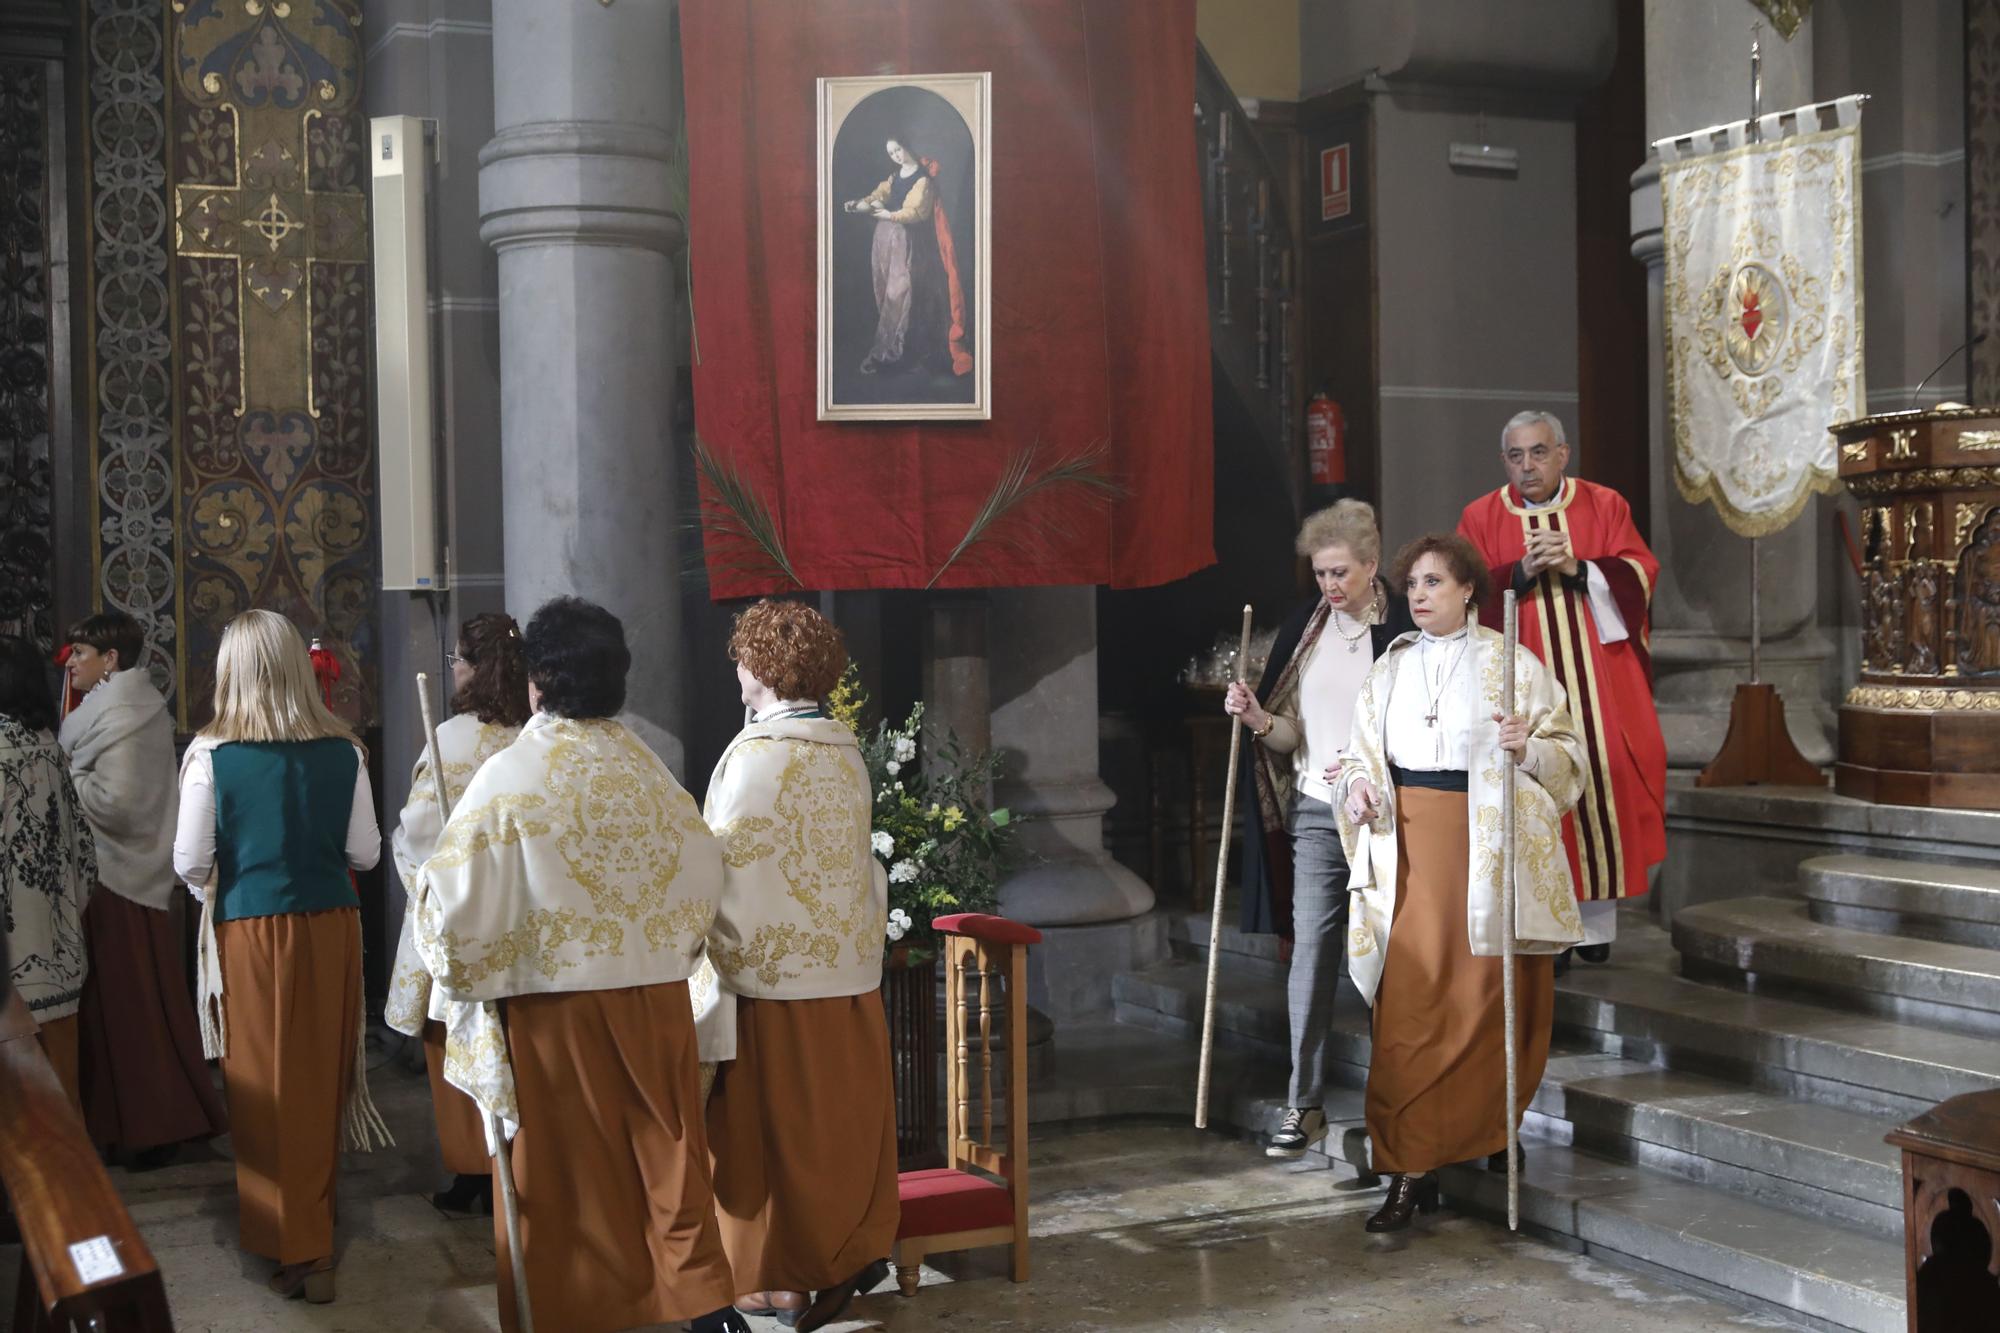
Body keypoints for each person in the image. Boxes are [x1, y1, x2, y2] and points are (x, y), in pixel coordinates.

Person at [412, 597, 746, 1333]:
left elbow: (449, 926)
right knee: (664, 1170)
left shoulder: (512, 778)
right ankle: (697, 1307)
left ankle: (573, 1314)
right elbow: (701, 877)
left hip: (553, 1017)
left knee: (565, 1187)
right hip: (652, 1004)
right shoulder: (651, 774)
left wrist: (434, 889)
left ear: (537, 680)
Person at [1337, 535, 1586, 1233]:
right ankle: (1410, 1167)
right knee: (1409, 1013)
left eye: (1434, 582)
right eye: (1412, 583)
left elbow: (1568, 761)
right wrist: (1357, 791)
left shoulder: (1511, 665)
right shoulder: (1389, 669)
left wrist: (1526, 745)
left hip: (1485, 853)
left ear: (1469, 589)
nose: (1418, 595)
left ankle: (1486, 1133)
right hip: (1409, 852)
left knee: (1485, 1002)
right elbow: (1360, 757)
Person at [172, 610, 387, 1302]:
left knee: (262, 1086)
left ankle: (289, 1242)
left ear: (230, 671)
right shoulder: (344, 749)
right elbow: (366, 853)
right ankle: (313, 1242)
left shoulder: (210, 754)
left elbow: (189, 861)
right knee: (320, 1081)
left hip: (250, 927)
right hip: (329, 926)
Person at [704, 600, 896, 1330]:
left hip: (769, 979)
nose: (739, 672)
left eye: (743, 659)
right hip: (843, 976)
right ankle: (820, 1266)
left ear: (761, 667)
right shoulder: (843, 750)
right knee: (827, 1133)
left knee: (765, 1134)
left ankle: (771, 1278)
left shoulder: (754, 757)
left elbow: (723, 861)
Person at [1225, 500, 1413, 1158]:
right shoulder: (1307, 625)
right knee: (1311, 954)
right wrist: (1255, 718)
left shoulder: (1403, 628)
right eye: (1321, 573)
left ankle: (1397, 1107)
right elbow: (1293, 734)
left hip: (1388, 817)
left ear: (1370, 564)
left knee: (1388, 960)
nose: (1330, 586)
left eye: (1340, 572)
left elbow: (1424, 723)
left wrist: (1371, 762)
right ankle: (1303, 1104)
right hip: (1313, 810)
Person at [1457, 411, 1666, 965]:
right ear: (1505, 461)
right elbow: (1465, 592)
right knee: (1538, 792)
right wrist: (1519, 574)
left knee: (1599, 783)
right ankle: (1546, 928)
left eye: (1540, 452)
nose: (1529, 466)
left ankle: (1593, 933)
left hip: (1600, 680)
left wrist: (1578, 569)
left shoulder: (1604, 504)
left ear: (1563, 453)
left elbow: (1639, 572)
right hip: (1525, 684)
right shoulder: (1479, 516)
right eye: (1517, 456)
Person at [61, 611, 227, 1168]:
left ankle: (152, 1124)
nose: (71, 662)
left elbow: (122, 806)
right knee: (123, 1009)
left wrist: (62, 778)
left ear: (112, 660)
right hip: (111, 878)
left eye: (81, 652)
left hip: (121, 878)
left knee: (131, 1012)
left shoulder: (128, 713)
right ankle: (124, 1124)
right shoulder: (110, 711)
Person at [384, 613, 531, 1217]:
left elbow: (420, 834)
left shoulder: (454, 738)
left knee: (451, 1040)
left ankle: (473, 1170)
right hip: (520, 919)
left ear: (472, 667)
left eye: (458, 660)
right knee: (513, 1046)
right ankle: (510, 1171)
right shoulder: (531, 735)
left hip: (458, 919)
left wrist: (419, 879)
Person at [0, 635, 96, 1107]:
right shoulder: (50, 751)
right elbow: (85, 855)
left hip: (7, 977)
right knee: (60, 1118)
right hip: (57, 964)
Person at [843, 136, 972, 377]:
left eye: (898, 150)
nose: (896, 156)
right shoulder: (894, 177)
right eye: (891, 153)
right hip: (886, 239)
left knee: (901, 293)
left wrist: (887, 215)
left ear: (907, 147)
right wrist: (860, 204)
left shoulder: (923, 179)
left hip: (909, 243)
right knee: (885, 289)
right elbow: (877, 196)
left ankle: (897, 352)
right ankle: (892, 346)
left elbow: (915, 212)